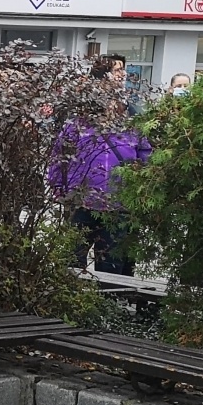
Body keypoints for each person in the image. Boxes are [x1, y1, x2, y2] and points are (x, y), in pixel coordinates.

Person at [48, 56, 149, 277]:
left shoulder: (131, 125)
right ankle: (74, 302)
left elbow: (146, 157)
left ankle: (111, 305)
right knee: (72, 260)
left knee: (112, 264)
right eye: (116, 70)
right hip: (81, 202)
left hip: (118, 206)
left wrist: (140, 187)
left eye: (117, 102)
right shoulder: (78, 125)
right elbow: (59, 157)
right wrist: (59, 189)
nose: (113, 105)